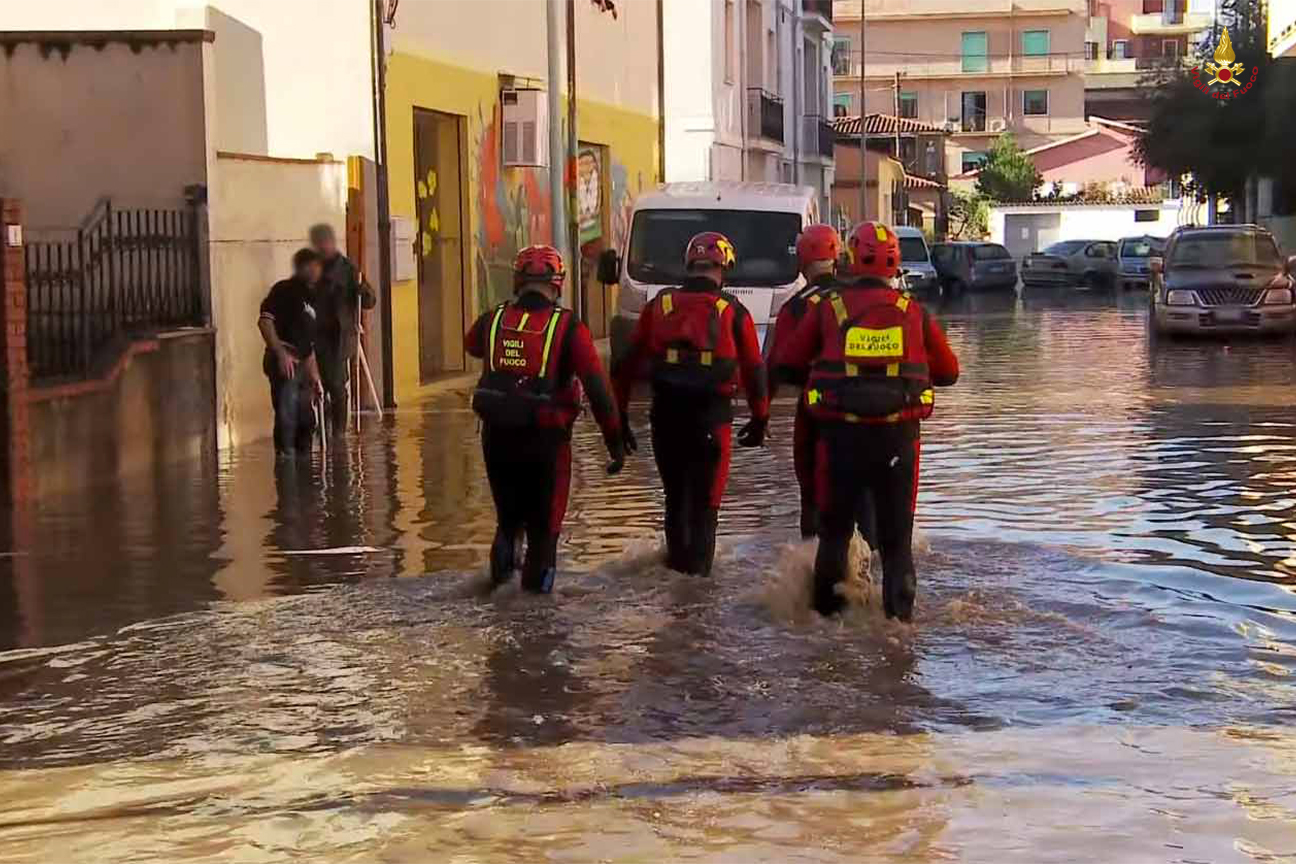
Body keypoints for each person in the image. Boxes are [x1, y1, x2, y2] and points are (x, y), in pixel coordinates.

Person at [773, 221, 959, 622]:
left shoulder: (828, 309)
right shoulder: (912, 312)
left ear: (850, 259)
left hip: (840, 439)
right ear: (895, 265)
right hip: (898, 440)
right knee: (896, 545)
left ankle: (825, 631)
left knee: (835, 535)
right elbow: (949, 372)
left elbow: (785, 363)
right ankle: (899, 636)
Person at [466, 245, 624, 594]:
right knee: (544, 529)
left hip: (496, 438)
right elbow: (598, 387)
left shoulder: (493, 319)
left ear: (517, 281)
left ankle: (496, 601)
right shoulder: (568, 327)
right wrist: (614, 441)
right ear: (559, 283)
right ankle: (536, 627)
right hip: (547, 443)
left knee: (508, 521)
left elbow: (471, 345)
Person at [613, 231, 770, 577]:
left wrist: (619, 419)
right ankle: (699, 603)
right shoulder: (732, 310)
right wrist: (760, 419)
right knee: (705, 508)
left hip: (665, 420)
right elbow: (755, 370)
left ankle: (676, 592)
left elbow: (623, 365)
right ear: (724, 266)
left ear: (689, 263)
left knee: (675, 501)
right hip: (712, 422)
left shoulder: (659, 306)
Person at [768, 224, 842, 540]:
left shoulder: (796, 307)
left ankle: (811, 567)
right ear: (837, 256)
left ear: (801, 263)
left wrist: (761, 412)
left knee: (812, 495)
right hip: (874, 413)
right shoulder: (861, 297)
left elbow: (779, 365)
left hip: (815, 408)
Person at [309, 223, 377, 435]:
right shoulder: (313, 267)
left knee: (337, 385)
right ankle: (324, 425)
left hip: (338, 337)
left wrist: (362, 291)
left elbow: (369, 300)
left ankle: (337, 433)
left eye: (324, 243)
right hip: (317, 334)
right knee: (321, 384)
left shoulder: (348, 269)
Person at [258, 248, 325, 456]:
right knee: (288, 420)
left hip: (303, 364)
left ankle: (305, 477)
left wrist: (315, 377)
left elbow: (308, 344)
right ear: (303, 268)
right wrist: (280, 353)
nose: (318, 271)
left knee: (307, 421)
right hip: (283, 362)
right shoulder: (283, 290)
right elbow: (265, 322)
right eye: (314, 266)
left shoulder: (313, 297)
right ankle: (286, 470)